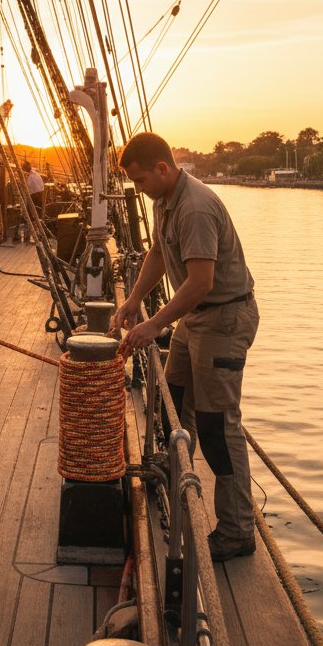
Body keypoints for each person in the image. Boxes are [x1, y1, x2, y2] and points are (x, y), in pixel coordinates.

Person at [111, 132, 259, 562]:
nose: (138, 189)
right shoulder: (164, 201)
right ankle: (176, 478)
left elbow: (200, 282)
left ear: (162, 168)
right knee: (173, 400)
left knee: (217, 426)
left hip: (223, 319)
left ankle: (236, 531)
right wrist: (135, 299)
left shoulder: (194, 208)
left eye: (140, 181)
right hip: (196, 319)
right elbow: (158, 252)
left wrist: (154, 325)